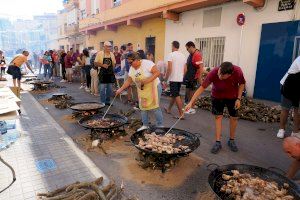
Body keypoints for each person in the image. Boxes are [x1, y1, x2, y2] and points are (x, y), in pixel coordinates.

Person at [185, 62, 246, 154]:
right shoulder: (214, 72)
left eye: (222, 76)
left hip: (233, 97)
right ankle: (218, 142)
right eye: (219, 73)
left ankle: (231, 140)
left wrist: (238, 99)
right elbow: (202, 88)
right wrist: (190, 102)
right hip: (217, 96)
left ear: (230, 74)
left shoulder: (237, 71)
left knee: (234, 117)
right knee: (218, 117)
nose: (219, 76)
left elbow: (242, 84)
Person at [116, 52, 164, 131]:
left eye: (131, 62)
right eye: (128, 63)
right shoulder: (132, 69)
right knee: (143, 107)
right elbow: (129, 81)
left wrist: (146, 81)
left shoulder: (147, 63)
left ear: (137, 60)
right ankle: (145, 125)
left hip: (154, 88)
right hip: (142, 90)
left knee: (155, 107)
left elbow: (157, 73)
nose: (130, 65)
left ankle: (160, 126)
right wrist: (120, 89)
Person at [277, 56, 300, 139]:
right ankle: (281, 130)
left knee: (297, 110)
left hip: (298, 88)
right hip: (289, 86)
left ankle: (295, 132)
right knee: (285, 108)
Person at [164, 41, 186, 118]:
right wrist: (181, 76)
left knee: (176, 95)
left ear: (173, 46)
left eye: (171, 46)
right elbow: (185, 69)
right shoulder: (183, 55)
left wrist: (165, 79)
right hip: (180, 78)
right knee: (174, 94)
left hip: (173, 78)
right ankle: (169, 109)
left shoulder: (171, 55)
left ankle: (181, 114)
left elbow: (169, 68)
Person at [184, 41, 204, 114]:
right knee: (189, 92)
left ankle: (192, 108)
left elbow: (201, 68)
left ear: (191, 47)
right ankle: (189, 107)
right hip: (189, 76)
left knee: (192, 93)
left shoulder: (197, 55)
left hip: (194, 77)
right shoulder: (191, 54)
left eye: (187, 49)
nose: (187, 51)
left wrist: (200, 79)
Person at [95, 41, 116, 105]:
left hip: (110, 74)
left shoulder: (112, 54)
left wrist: (113, 71)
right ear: (104, 47)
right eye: (107, 46)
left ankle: (107, 101)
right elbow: (95, 63)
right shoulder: (100, 53)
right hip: (102, 74)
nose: (108, 48)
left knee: (109, 89)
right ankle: (102, 101)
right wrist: (102, 65)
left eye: (109, 47)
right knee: (102, 89)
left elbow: (114, 64)